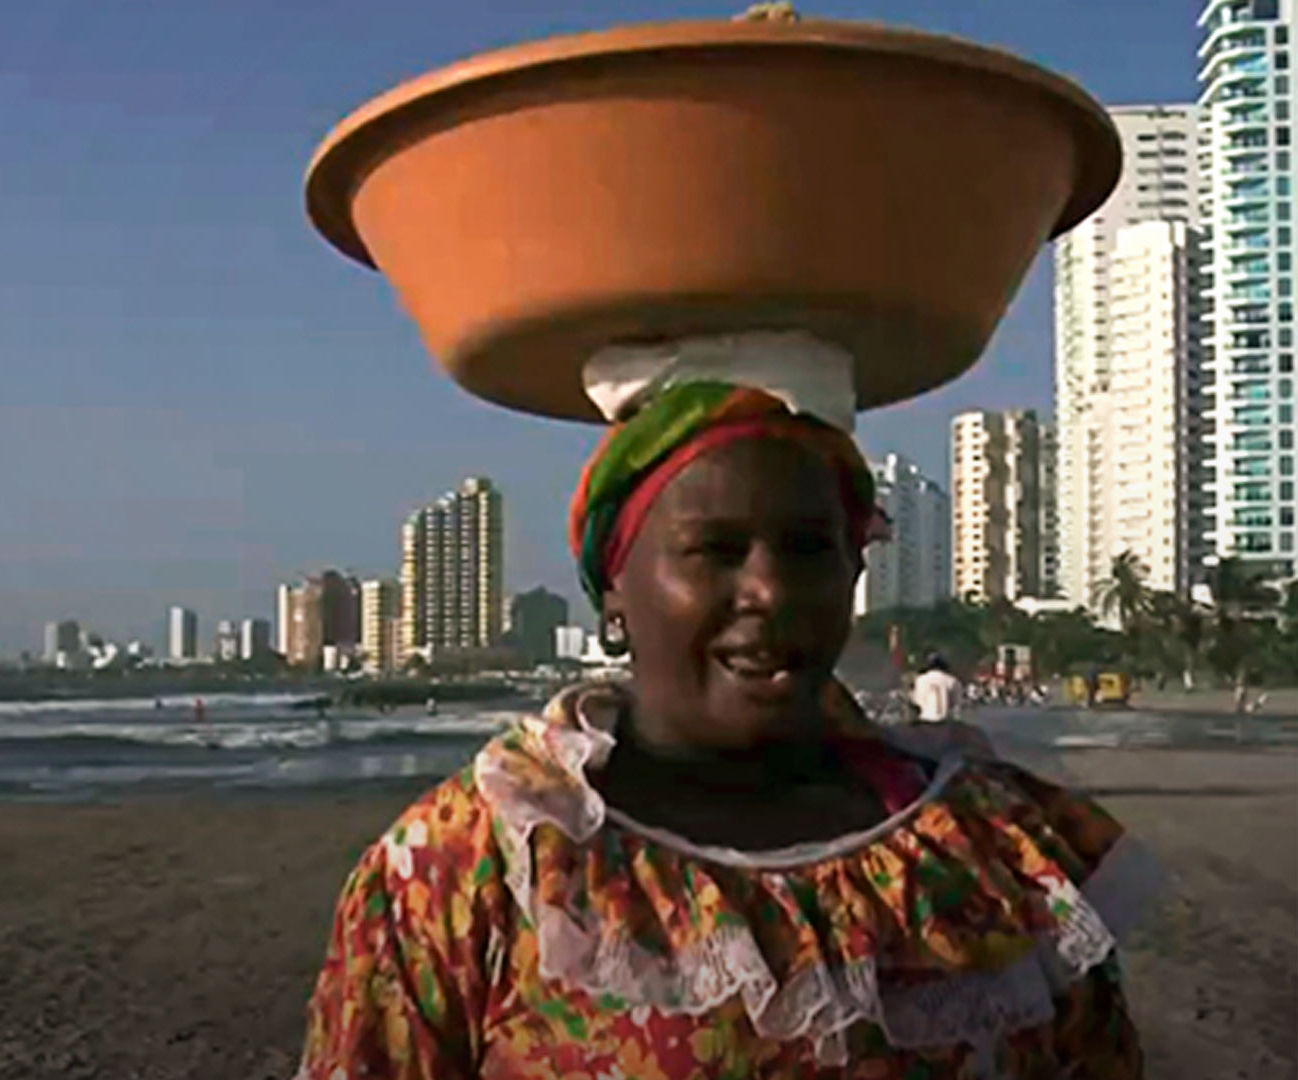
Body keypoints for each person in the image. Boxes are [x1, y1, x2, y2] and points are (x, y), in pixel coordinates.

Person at [296, 379, 1148, 1079]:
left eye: (810, 548)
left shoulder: (991, 849)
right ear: (615, 598)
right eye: (716, 549)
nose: (771, 592)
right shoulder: (478, 866)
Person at [912, 654, 962, 724]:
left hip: (925, 720)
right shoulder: (953, 681)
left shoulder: (920, 680)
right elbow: (955, 703)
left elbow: (917, 701)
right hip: (945, 721)